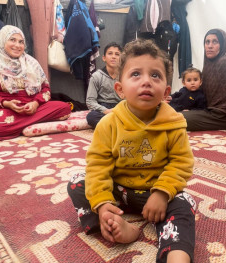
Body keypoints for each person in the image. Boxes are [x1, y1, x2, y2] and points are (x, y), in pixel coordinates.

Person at [67, 39, 196, 263]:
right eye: (136, 74)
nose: (146, 81)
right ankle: (115, 226)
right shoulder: (108, 124)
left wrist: (163, 192)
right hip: (119, 191)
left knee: (186, 202)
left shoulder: (174, 124)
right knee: (78, 182)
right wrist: (103, 204)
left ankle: (176, 255)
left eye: (155, 75)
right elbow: (98, 165)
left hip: (155, 192)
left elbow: (181, 163)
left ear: (166, 91)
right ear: (120, 89)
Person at [0, 25, 71, 141]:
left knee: (64, 108)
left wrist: (35, 103)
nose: (17, 45)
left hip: (34, 108)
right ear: (2, 41)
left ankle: (17, 125)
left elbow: (45, 89)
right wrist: (7, 104)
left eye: (21, 42)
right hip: (8, 110)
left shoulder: (32, 62)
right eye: (12, 40)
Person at [85, 42, 123, 128]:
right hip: (104, 107)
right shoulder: (96, 76)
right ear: (104, 58)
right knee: (91, 117)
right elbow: (90, 101)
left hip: (121, 106)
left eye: (117, 54)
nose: (113, 56)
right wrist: (106, 111)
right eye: (110, 53)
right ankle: (119, 126)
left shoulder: (125, 76)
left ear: (121, 58)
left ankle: (111, 126)